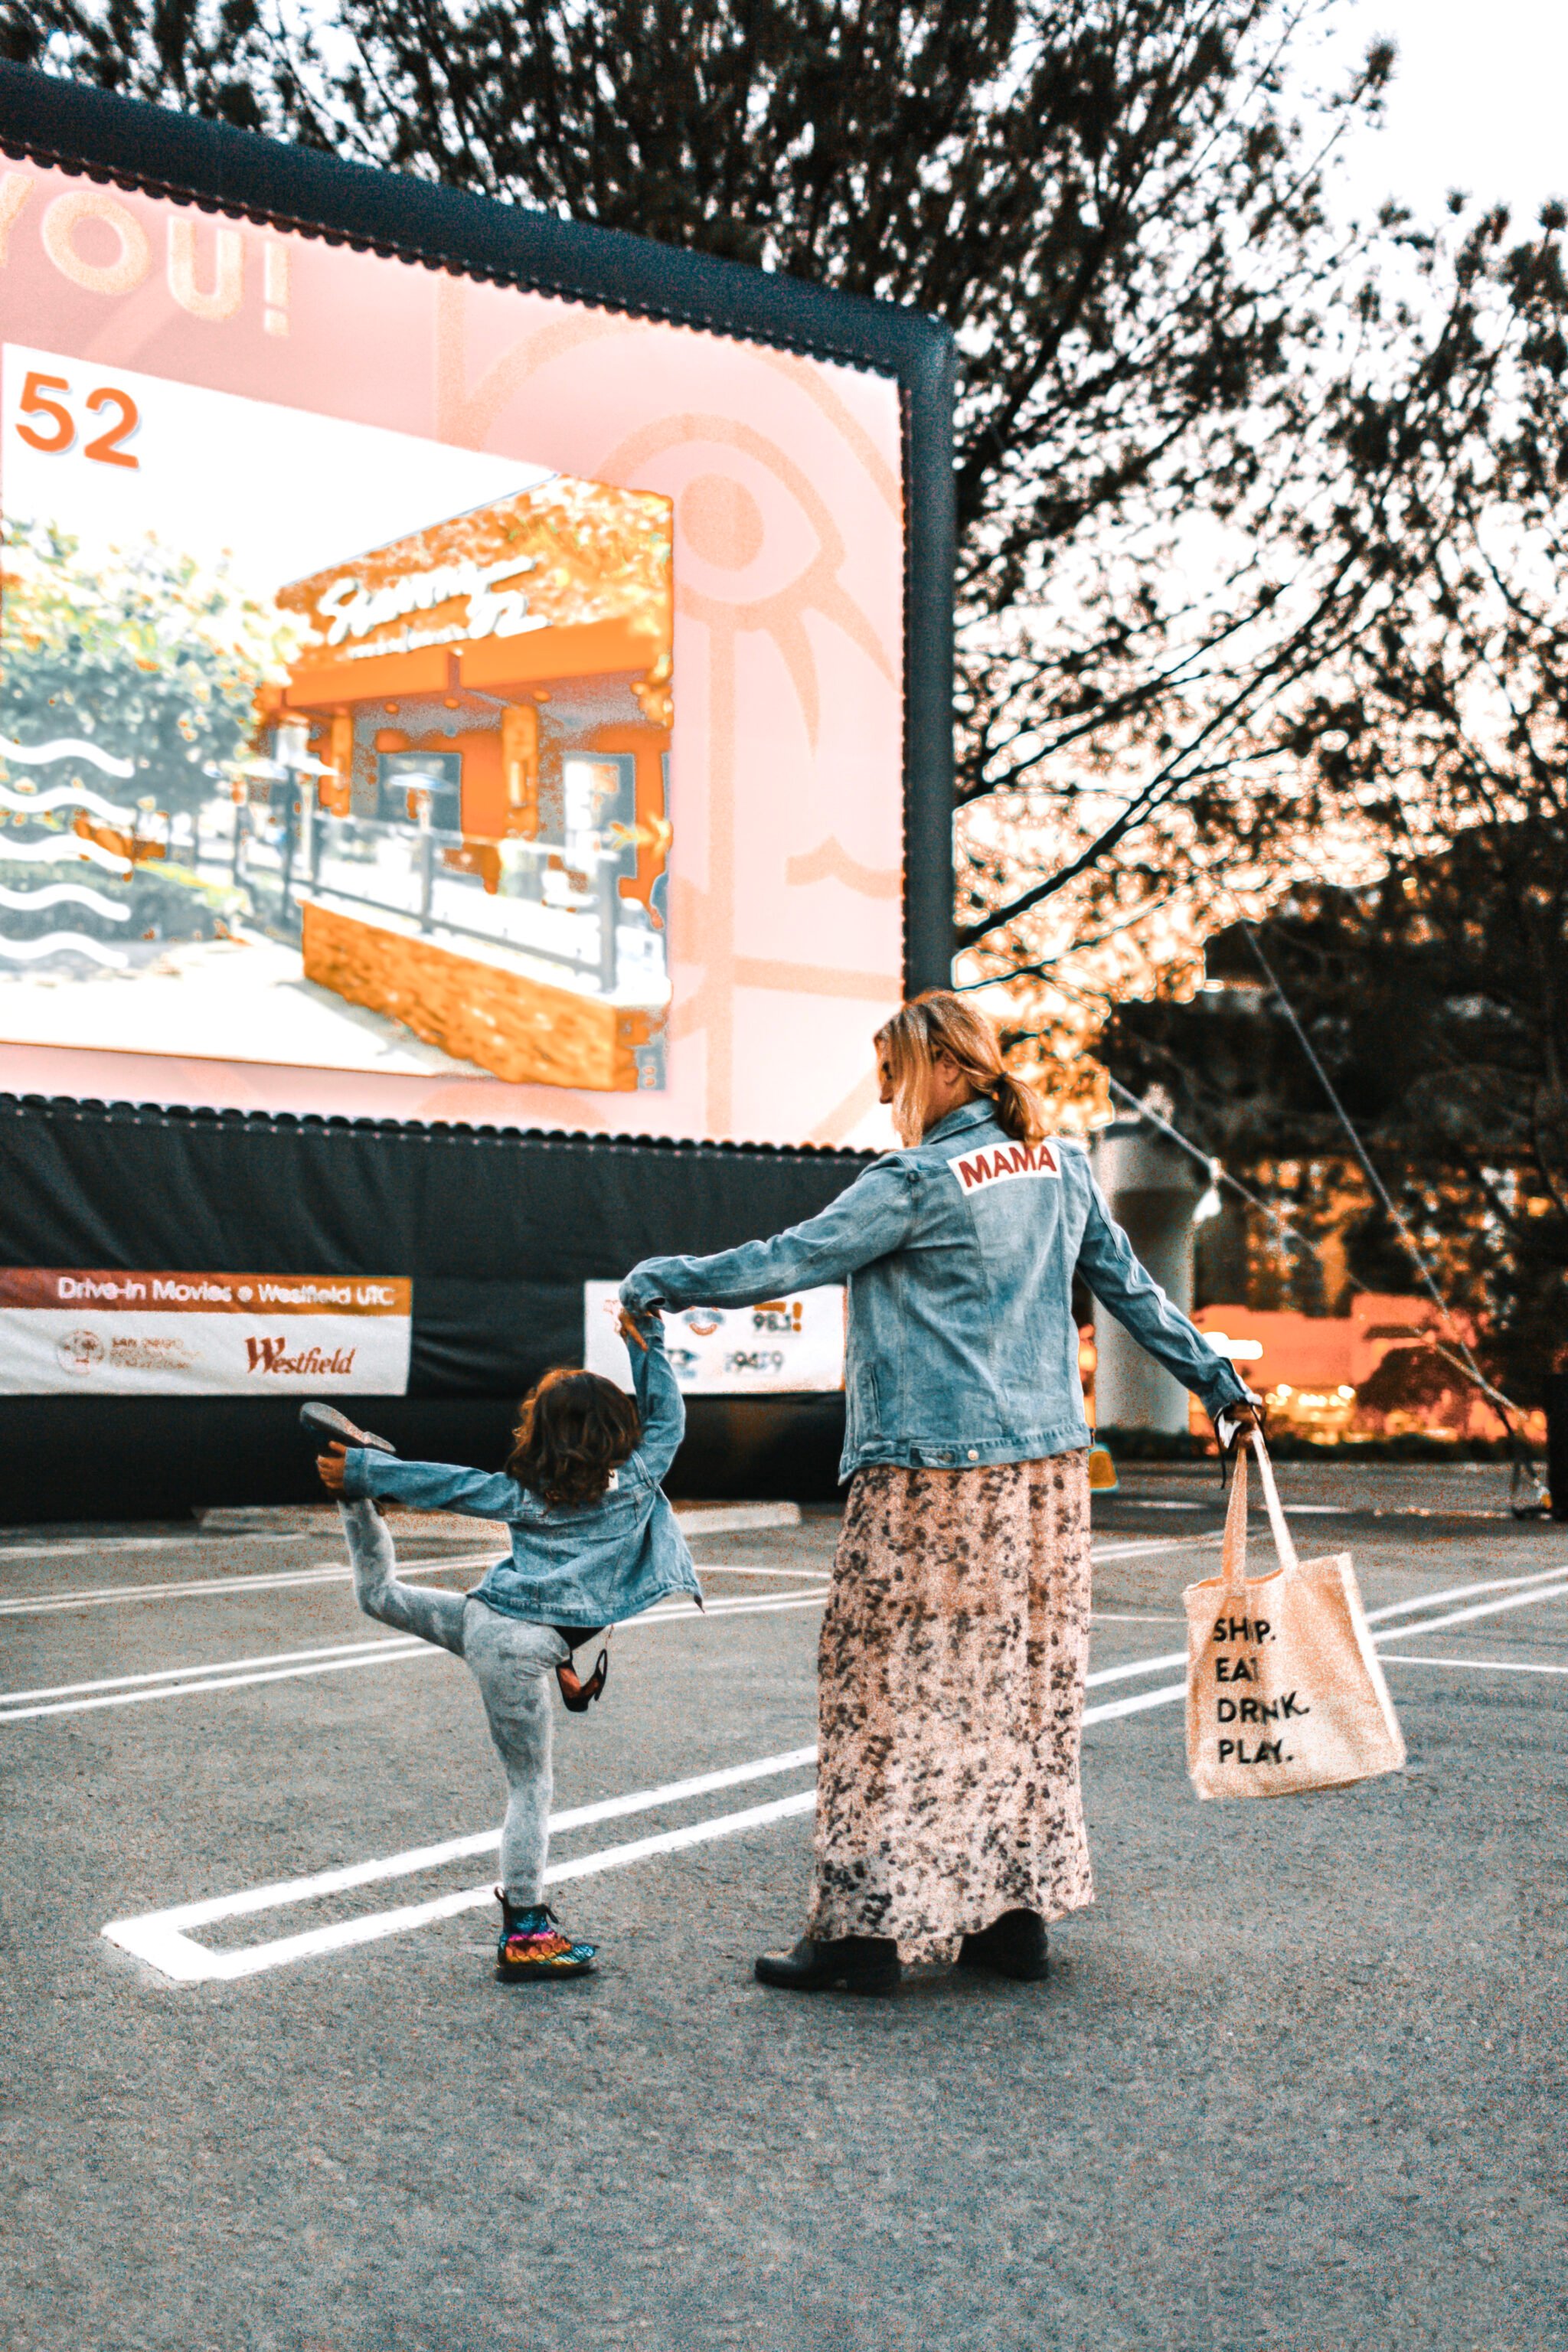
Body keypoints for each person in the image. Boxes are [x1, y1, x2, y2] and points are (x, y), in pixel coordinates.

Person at [619, 989, 1259, 1996]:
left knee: (882, 1692)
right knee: (1017, 1690)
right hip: (1046, 1482)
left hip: (931, 1476)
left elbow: (792, 1258)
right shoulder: (1061, 1168)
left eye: (894, 1076)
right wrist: (1219, 1386)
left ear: (950, 1068)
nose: (886, 1099)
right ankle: (1011, 1920)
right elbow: (1135, 1293)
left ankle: (861, 1937)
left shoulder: (913, 1181)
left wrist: (667, 1278)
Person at [304, 1315, 700, 1984]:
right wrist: (645, 1342)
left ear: (538, 1432)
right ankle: (525, 1934)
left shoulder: (522, 1494)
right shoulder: (638, 1478)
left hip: (481, 1619)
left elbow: (453, 1486)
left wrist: (368, 1473)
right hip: (517, 1649)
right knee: (530, 1786)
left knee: (379, 1596)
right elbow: (671, 1415)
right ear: (618, 1430)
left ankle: (353, 1504)